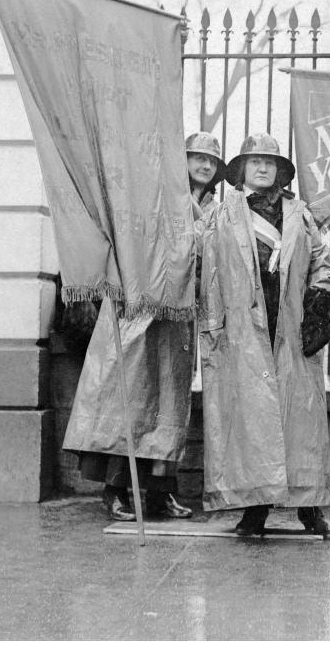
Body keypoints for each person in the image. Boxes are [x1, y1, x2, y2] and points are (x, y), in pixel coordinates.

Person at [62, 133, 227, 522]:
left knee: (169, 406)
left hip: (179, 318)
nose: (204, 165)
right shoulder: (154, 196)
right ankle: (116, 491)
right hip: (140, 309)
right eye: (196, 157)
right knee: (130, 399)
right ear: (180, 161)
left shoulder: (216, 210)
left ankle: (159, 494)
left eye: (211, 160)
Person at [195, 132, 330, 536]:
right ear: (240, 169)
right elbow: (200, 269)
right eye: (254, 161)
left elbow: (322, 263)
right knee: (250, 421)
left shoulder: (301, 214)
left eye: (269, 162)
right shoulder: (219, 215)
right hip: (242, 329)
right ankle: (253, 509)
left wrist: (319, 303)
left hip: (292, 325)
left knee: (300, 420)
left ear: (279, 171)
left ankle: (308, 507)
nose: (262, 167)